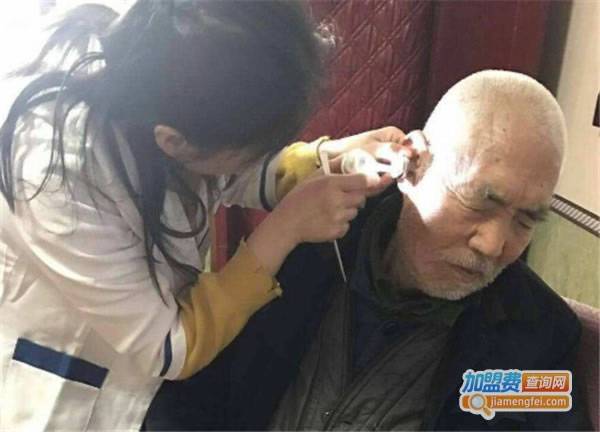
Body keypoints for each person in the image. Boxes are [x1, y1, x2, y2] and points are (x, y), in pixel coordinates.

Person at [0, 2, 410, 430]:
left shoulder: (173, 71)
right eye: (247, 150)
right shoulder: (57, 182)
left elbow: (231, 167)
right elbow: (170, 348)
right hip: (89, 376)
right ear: (173, 142)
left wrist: (332, 157)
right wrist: (286, 227)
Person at [144, 70, 592, 431]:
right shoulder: (309, 241)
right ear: (414, 163)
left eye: (526, 220)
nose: (494, 245)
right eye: (480, 201)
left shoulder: (539, 340)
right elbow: (192, 396)